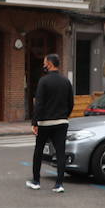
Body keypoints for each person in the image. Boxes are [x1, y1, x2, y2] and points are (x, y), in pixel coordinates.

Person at [28, 53, 73, 193]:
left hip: (45, 123)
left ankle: (36, 181)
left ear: (50, 64)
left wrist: (35, 122)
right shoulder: (66, 81)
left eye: (44, 62)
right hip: (61, 122)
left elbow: (39, 104)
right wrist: (64, 116)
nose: (43, 65)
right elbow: (71, 103)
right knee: (60, 152)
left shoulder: (43, 81)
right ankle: (59, 184)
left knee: (38, 151)